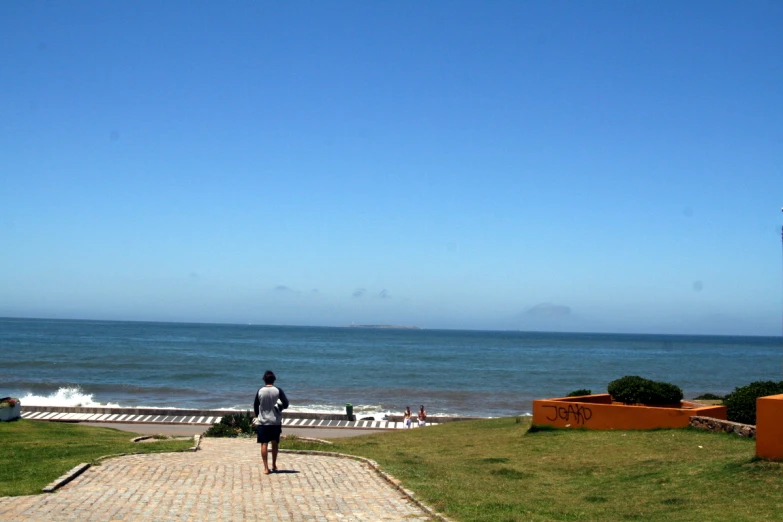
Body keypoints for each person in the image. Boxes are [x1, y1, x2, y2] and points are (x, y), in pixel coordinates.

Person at [253, 370, 289, 475]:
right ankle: (274, 464)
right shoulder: (278, 390)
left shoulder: (260, 391)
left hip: (263, 421)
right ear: (274, 380)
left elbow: (255, 405)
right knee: (274, 442)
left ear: (264, 379)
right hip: (275, 421)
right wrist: (279, 407)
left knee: (264, 443)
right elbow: (286, 403)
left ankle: (266, 468)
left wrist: (258, 416)